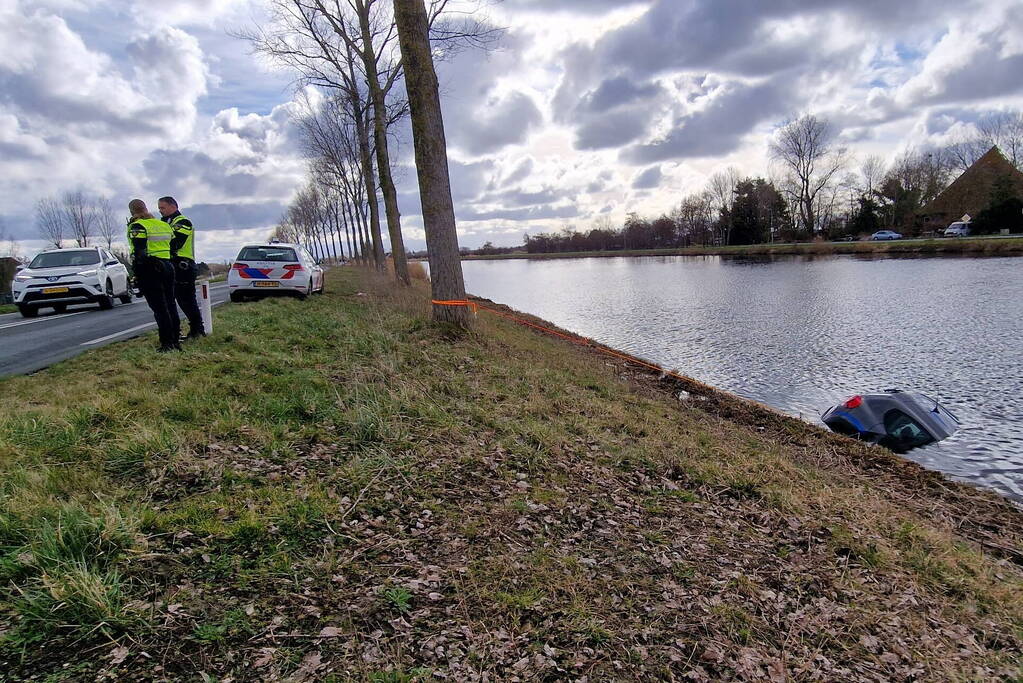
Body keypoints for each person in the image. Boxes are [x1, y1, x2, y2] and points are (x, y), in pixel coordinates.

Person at [127, 199, 180, 352]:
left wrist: (137, 273)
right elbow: (174, 247)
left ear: (132, 212)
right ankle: (175, 340)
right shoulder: (163, 225)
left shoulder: (137, 226)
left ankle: (167, 343)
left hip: (151, 268)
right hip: (168, 266)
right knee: (170, 304)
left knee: (160, 308)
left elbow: (139, 252)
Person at [158, 195, 204, 340]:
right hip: (172, 264)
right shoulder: (166, 223)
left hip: (183, 265)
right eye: (159, 208)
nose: (160, 211)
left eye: (162, 207)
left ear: (173, 206)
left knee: (187, 300)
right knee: (177, 299)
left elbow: (176, 243)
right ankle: (189, 330)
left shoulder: (183, 222)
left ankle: (197, 330)